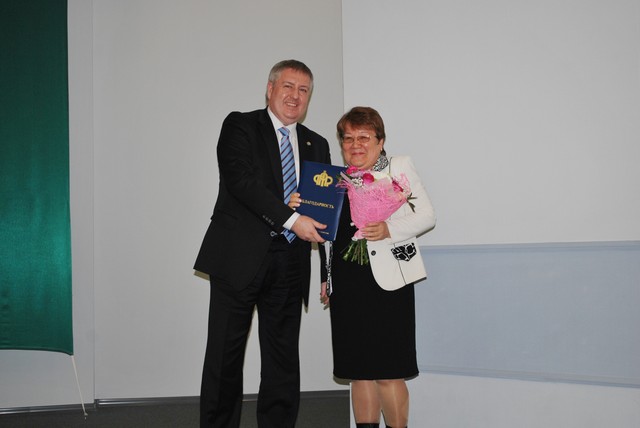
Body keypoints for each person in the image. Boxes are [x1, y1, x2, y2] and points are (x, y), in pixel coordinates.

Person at [193, 59, 331, 428]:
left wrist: (327, 271)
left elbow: (324, 212)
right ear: (270, 89)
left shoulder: (317, 144)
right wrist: (291, 218)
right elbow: (242, 182)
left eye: (303, 90)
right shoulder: (240, 126)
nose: (295, 96)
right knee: (224, 358)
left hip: (291, 263)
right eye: (288, 86)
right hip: (239, 258)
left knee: (282, 361)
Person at [290, 106, 435, 428]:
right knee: (359, 373)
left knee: (389, 371)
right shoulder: (333, 180)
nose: (355, 145)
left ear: (380, 141)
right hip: (347, 285)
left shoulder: (398, 166)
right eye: (348, 138)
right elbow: (326, 236)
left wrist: (389, 229)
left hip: (389, 284)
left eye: (364, 137)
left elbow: (427, 216)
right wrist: (327, 277)